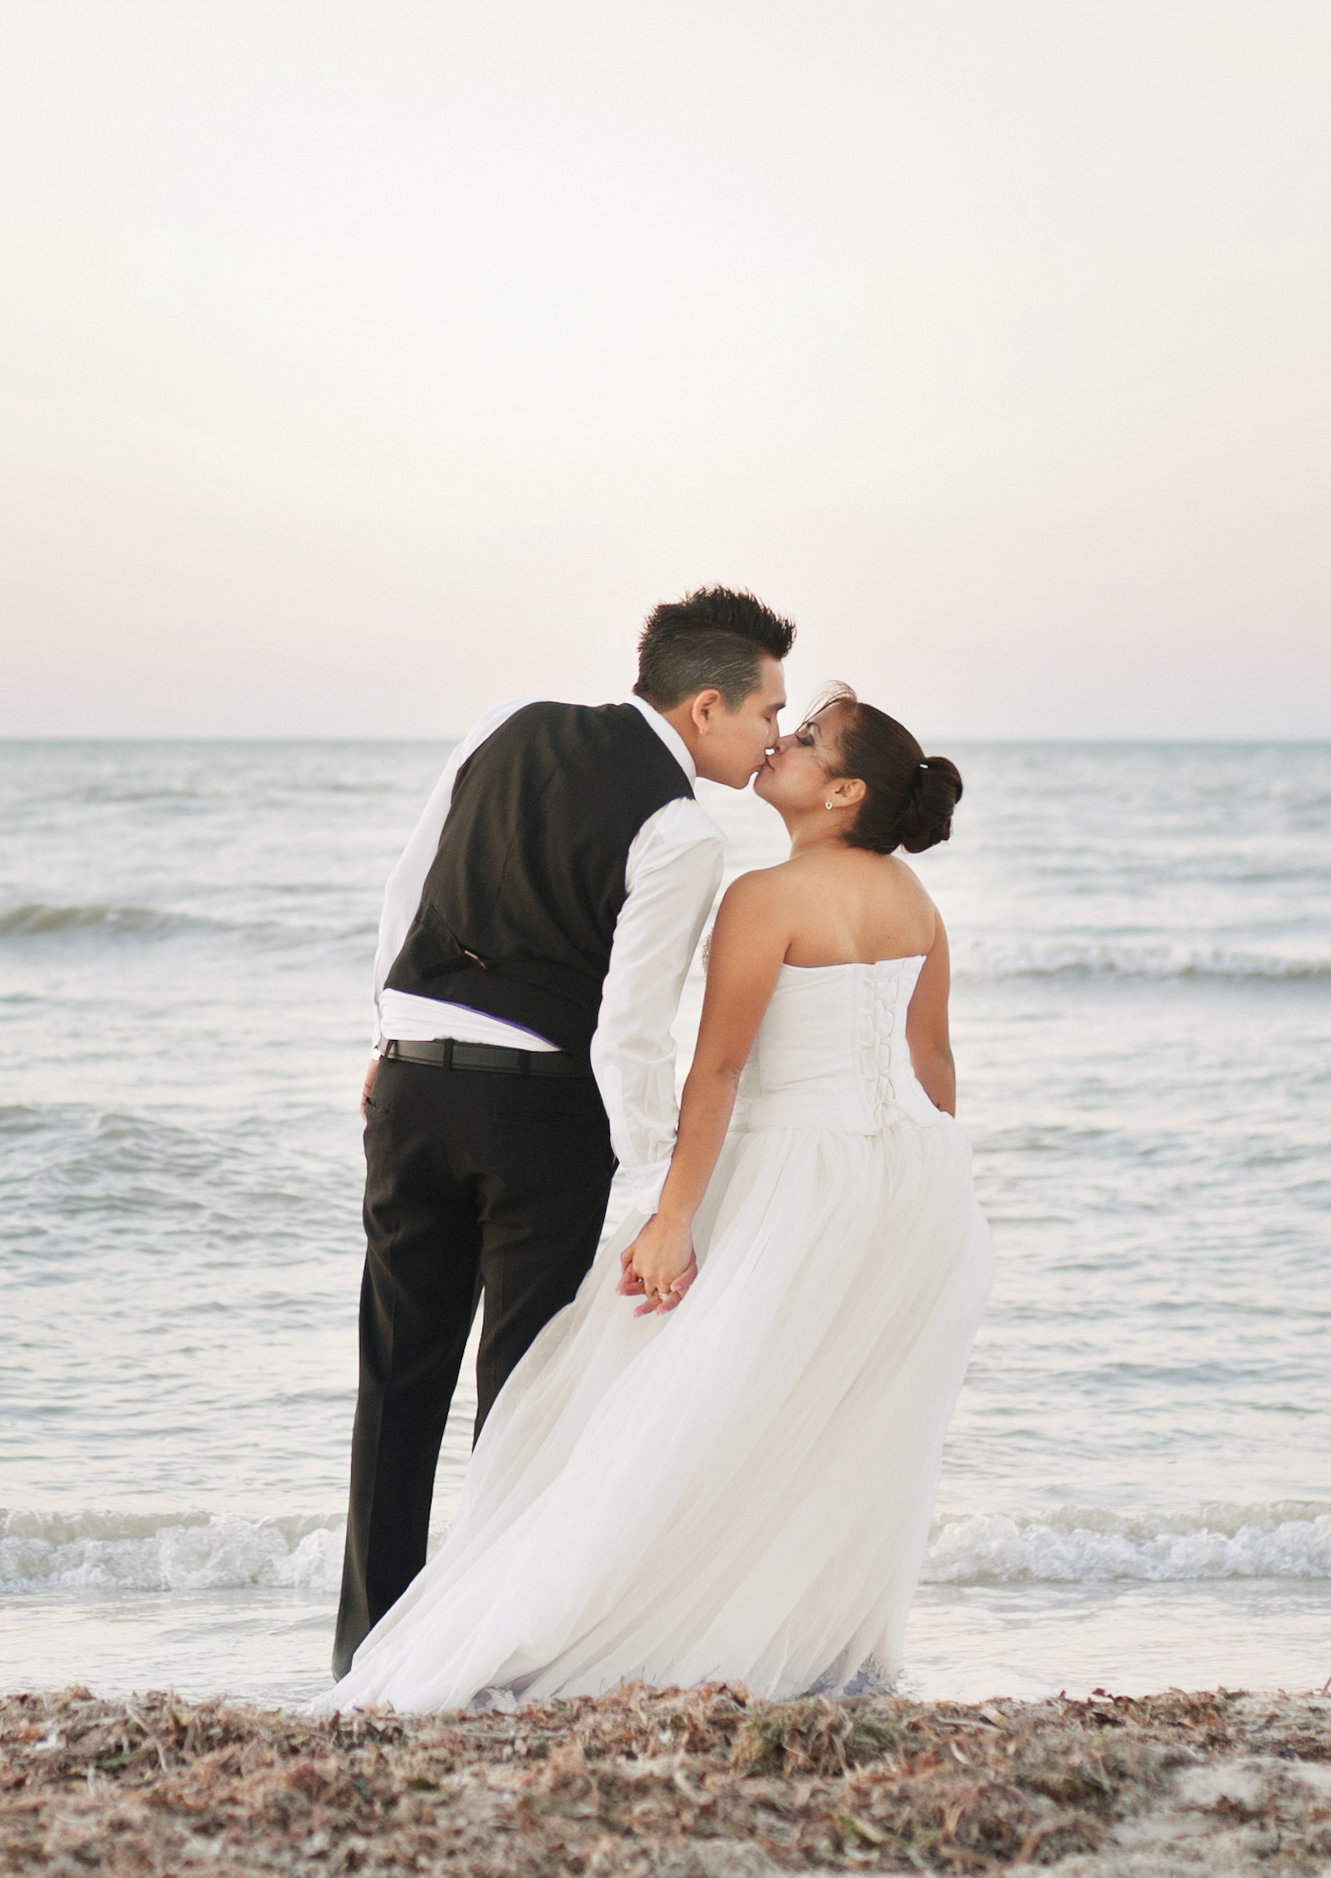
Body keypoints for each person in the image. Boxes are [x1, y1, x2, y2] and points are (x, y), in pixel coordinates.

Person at [326, 688, 990, 1710]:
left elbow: (715, 1074)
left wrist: (671, 1216)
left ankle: (563, 1614)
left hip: (790, 1172)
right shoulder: (916, 905)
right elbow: (932, 1059)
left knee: (642, 1391)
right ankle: (792, 1633)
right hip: (904, 1175)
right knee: (814, 1416)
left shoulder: (764, 896)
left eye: (806, 739)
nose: (782, 740)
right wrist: (938, 1191)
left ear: (845, 791)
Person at [333, 586, 795, 1677]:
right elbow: (628, 1030)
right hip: (539, 1112)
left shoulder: (508, 724)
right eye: (767, 712)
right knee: (523, 1395)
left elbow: (409, 886)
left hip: (409, 1088)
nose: (774, 734)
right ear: (704, 708)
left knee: (396, 1379)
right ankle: (480, 1649)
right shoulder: (681, 828)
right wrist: (658, 1193)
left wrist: (389, 1027)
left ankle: (366, 1656)